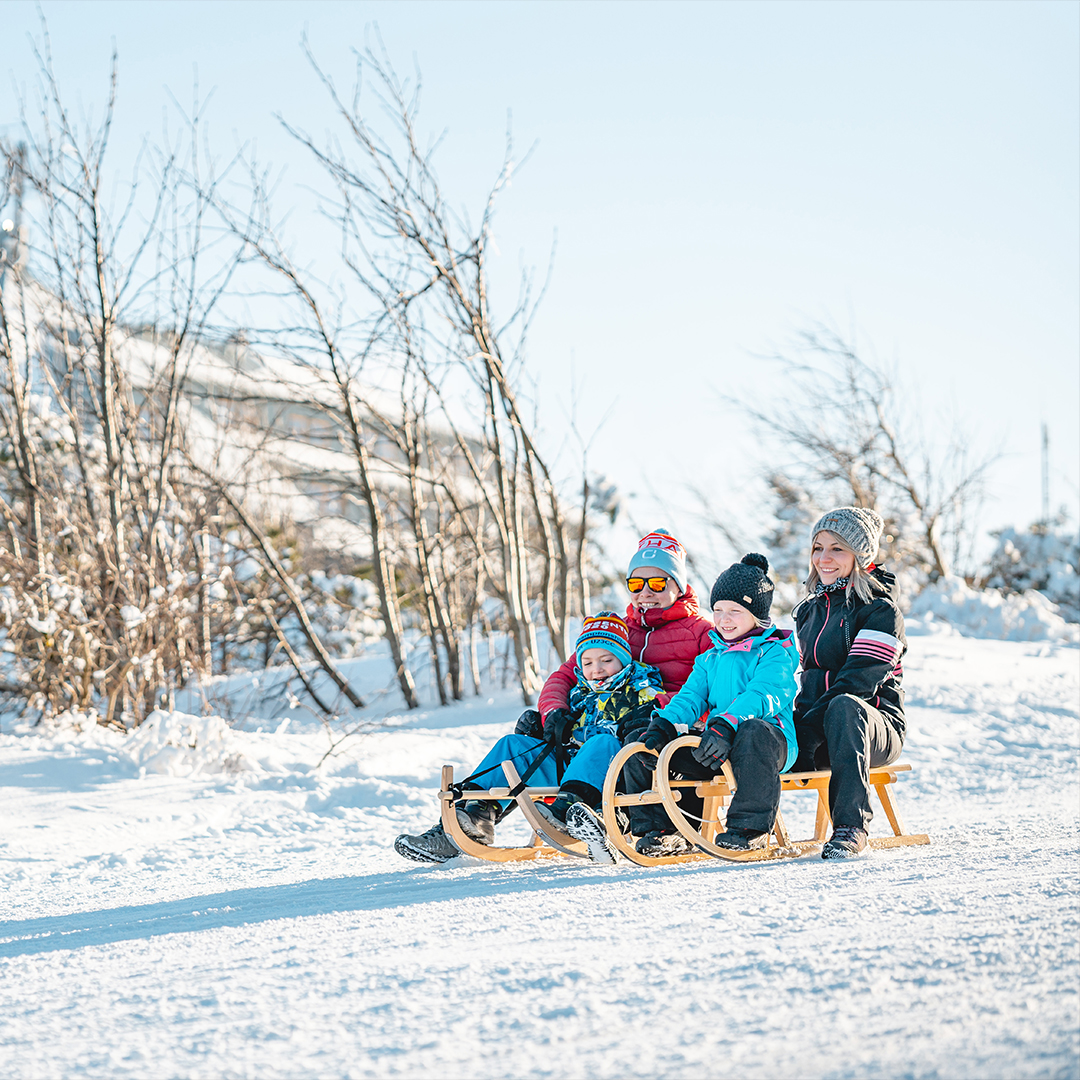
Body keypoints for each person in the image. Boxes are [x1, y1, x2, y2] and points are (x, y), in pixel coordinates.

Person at [394, 611, 663, 865]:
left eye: (607, 660)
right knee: (512, 745)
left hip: (611, 774)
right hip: (568, 767)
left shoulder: (643, 688)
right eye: (588, 662)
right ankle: (471, 817)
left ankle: (571, 814)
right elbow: (558, 721)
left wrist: (645, 721)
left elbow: (660, 716)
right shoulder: (578, 693)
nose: (597, 669)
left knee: (601, 741)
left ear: (624, 659)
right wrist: (546, 726)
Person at [536, 528, 715, 844]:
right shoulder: (616, 632)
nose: (645, 592)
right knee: (537, 732)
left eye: (657, 583)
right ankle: (483, 810)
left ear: (679, 585)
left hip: (675, 728)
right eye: (636, 583)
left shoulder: (703, 631)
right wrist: (553, 711)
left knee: (635, 735)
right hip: (610, 726)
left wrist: (660, 708)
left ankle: (636, 822)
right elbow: (565, 675)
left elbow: (714, 691)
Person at [618, 553, 800, 855]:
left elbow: (763, 694)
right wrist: (665, 724)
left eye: (735, 611)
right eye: (718, 610)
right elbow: (690, 697)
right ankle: (663, 830)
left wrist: (727, 723)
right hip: (718, 742)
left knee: (752, 730)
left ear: (756, 615)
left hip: (768, 742)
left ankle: (748, 829)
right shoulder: (710, 657)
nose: (724, 619)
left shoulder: (775, 652)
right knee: (643, 742)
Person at [793, 507, 907, 859]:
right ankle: (747, 828)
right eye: (818, 548)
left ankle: (850, 827)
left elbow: (858, 681)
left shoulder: (881, 612)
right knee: (756, 727)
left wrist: (806, 730)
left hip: (873, 729)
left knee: (845, 706)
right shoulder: (809, 612)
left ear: (861, 555)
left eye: (837, 549)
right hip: (818, 730)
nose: (823, 558)